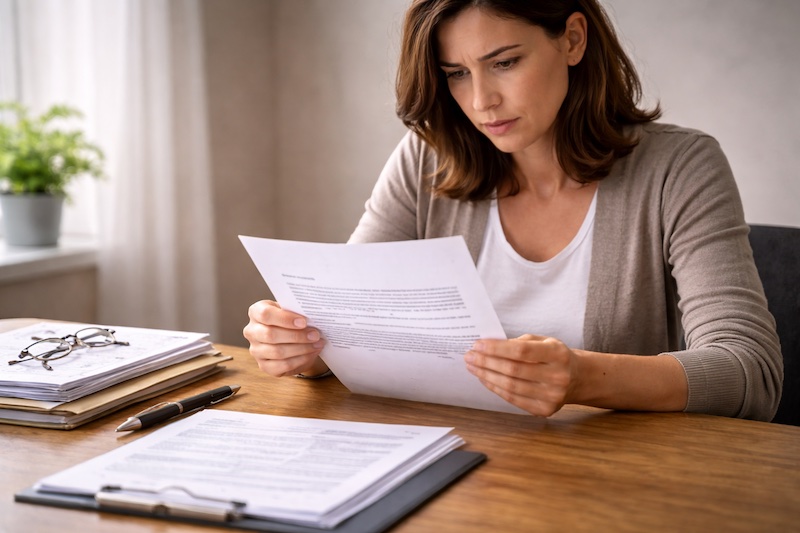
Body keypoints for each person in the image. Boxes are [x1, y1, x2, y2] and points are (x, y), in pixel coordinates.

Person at [244, 0, 782, 421]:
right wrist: (309, 350)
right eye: (455, 73)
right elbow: (351, 326)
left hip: (610, 477)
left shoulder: (681, 167)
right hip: (450, 460)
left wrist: (579, 377)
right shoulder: (427, 159)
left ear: (573, 39)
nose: (481, 102)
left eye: (504, 63)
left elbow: (749, 372)